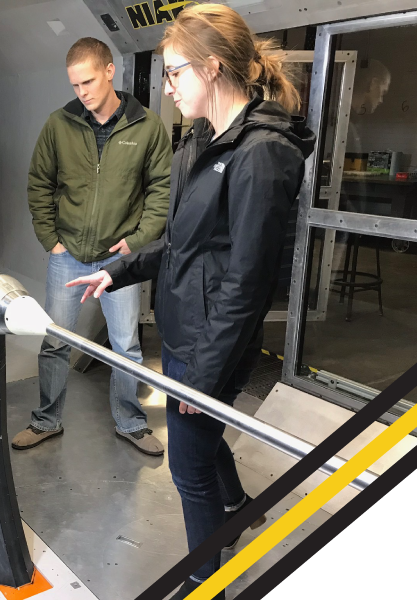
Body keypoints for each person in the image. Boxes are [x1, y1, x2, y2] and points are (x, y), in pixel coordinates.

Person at [67, 5, 315, 598]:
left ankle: (206, 578)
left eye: (175, 73)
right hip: (187, 332)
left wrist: (201, 380)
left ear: (212, 68)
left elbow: (247, 284)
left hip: (213, 345)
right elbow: (181, 245)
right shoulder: (198, 142)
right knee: (202, 445)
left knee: (188, 467)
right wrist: (117, 272)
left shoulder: (260, 155)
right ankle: (240, 505)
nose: (167, 87)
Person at [17, 37, 173, 456]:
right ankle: (47, 420)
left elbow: (161, 191)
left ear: (109, 71)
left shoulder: (147, 127)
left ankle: (131, 424)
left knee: (125, 345)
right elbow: (39, 184)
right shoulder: (59, 124)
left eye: (87, 81)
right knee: (54, 340)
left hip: (118, 259)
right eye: (74, 86)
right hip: (67, 255)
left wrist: (137, 243)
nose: (82, 93)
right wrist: (51, 240)